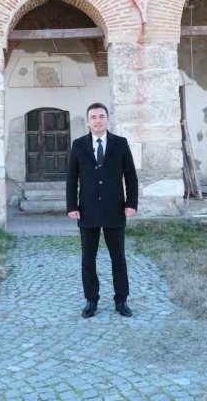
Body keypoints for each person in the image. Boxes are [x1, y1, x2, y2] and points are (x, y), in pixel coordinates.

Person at [66, 102, 139, 318]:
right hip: (87, 210)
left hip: (115, 209)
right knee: (88, 259)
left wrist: (131, 204)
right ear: (87, 121)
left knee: (118, 258)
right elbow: (72, 178)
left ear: (107, 119)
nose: (97, 120)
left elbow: (131, 177)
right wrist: (72, 206)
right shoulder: (78, 145)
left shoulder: (120, 143)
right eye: (93, 117)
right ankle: (91, 300)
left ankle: (121, 300)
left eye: (101, 116)